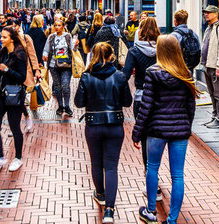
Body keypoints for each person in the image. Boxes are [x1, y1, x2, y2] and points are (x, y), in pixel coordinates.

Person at [134, 35, 199, 224]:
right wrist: (187, 126)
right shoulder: (185, 72)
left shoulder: (153, 72)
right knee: (177, 175)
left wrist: (137, 132)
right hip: (180, 131)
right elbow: (190, 106)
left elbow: (146, 106)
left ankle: (151, 211)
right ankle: (172, 220)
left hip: (157, 131)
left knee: (152, 168)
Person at [74, 42, 132, 223]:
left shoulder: (86, 76)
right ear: (110, 56)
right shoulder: (120, 76)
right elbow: (127, 102)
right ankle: (109, 210)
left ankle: (100, 193)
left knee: (96, 162)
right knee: (112, 166)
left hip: (93, 125)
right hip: (115, 125)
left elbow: (78, 102)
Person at [0, 26, 28, 172]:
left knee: (15, 127)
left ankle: (18, 158)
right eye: (1, 36)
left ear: (12, 38)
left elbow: (22, 77)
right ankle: (0, 157)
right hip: (1, 94)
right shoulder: (3, 52)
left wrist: (7, 69)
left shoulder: (20, 54)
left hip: (15, 94)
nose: (1, 39)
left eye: (4, 37)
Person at [123, 17, 160, 171]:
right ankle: (155, 167)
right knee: (159, 135)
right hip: (160, 97)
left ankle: (149, 170)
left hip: (142, 96)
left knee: (144, 135)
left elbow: (124, 75)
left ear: (141, 31)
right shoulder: (163, 49)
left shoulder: (134, 51)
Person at [201, 5, 219, 129]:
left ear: (216, 14)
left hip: (216, 67)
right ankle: (214, 116)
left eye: (209, 12)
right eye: (205, 12)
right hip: (207, 65)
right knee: (212, 94)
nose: (206, 14)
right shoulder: (209, 28)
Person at [42, 20, 74, 116]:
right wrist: (45, 55)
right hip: (53, 65)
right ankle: (60, 106)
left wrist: (76, 46)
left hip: (66, 64)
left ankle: (67, 106)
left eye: (59, 25)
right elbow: (46, 49)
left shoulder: (68, 36)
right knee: (57, 86)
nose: (57, 27)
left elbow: (72, 49)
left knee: (65, 85)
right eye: (55, 25)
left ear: (63, 26)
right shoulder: (51, 37)